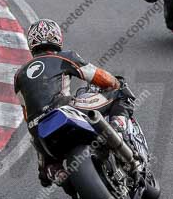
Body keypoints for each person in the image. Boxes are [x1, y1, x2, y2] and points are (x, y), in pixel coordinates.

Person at [14, 19, 137, 187]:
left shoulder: (19, 75)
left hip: (38, 128)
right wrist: (115, 83)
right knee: (120, 92)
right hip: (64, 108)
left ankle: (54, 171)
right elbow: (98, 76)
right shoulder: (65, 57)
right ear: (57, 38)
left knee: (44, 165)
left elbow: (27, 113)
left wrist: (42, 162)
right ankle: (117, 126)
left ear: (31, 43)